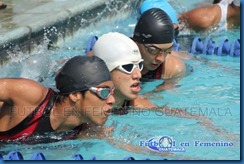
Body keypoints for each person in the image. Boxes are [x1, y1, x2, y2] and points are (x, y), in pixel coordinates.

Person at [0, 55, 115, 142]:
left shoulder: (88, 131)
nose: (112, 100)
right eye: (103, 92)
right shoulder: (30, 95)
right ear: (75, 95)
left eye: (112, 92)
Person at [91, 32, 156, 111]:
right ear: (105, 71)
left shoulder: (142, 106)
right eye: (128, 67)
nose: (138, 75)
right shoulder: (84, 111)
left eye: (139, 65)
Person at [133, 8, 189, 91]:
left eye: (167, 50)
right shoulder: (119, 58)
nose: (161, 59)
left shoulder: (172, 69)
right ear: (136, 43)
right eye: (153, 50)